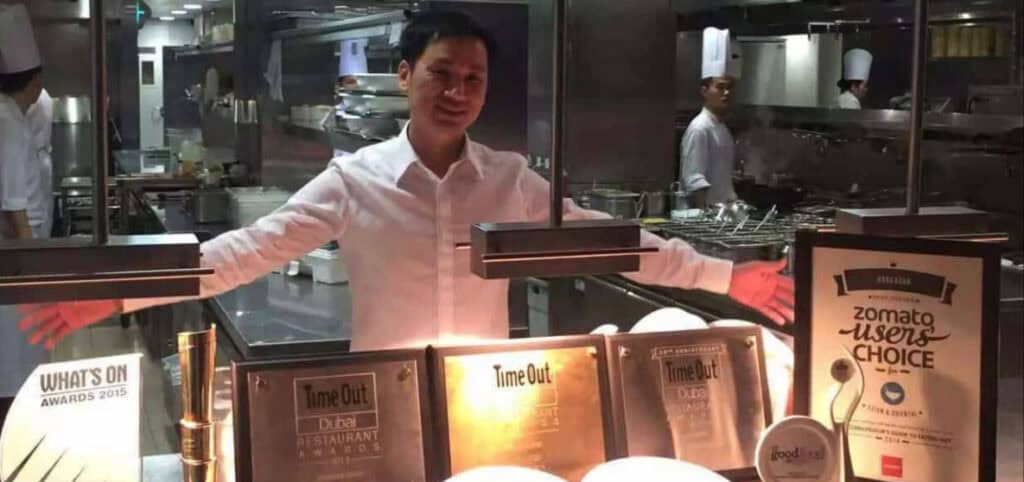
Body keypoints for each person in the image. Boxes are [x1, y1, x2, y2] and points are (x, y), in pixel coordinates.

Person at [19, 10, 795, 355]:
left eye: (474, 78)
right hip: (383, 390)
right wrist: (120, 291)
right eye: (441, 73)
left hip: (485, 389)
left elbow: (613, 241)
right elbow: (243, 251)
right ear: (404, 77)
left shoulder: (511, 179)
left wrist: (730, 277)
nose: (459, 89)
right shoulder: (353, 181)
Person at [1, 3, 49, 403]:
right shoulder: (9, 124)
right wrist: (37, 269)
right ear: (33, 82)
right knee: (18, 362)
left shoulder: (9, 117)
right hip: (19, 260)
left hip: (21, 256)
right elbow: (14, 208)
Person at [679, 27, 741, 208]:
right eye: (720, 87)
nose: (726, 93)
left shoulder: (721, 127)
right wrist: (704, 218)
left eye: (729, 87)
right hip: (706, 217)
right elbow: (694, 179)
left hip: (721, 215)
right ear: (704, 91)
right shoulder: (700, 128)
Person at [27, 87, 54, 238]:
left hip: (34, 158)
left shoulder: (35, 97)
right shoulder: (44, 94)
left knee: (36, 219)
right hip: (40, 158)